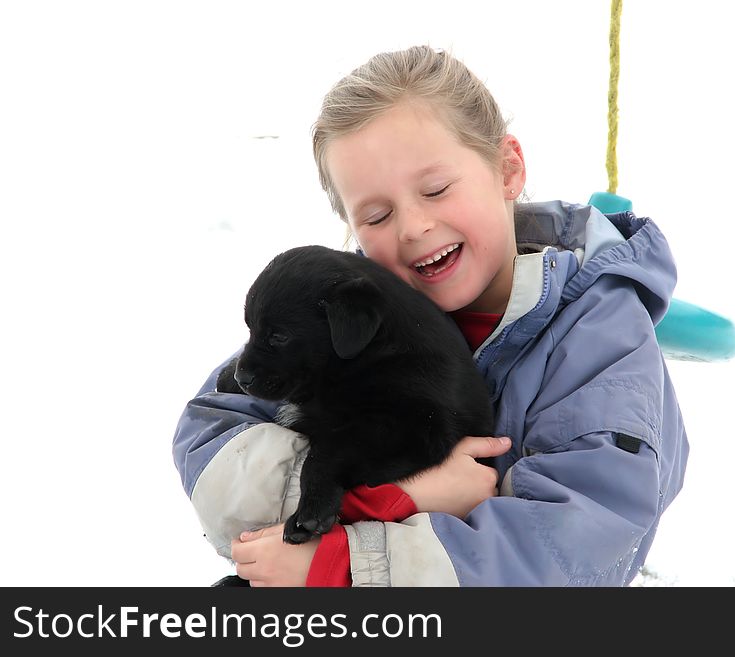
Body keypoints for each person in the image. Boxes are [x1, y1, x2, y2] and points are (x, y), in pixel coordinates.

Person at [172, 45, 689, 587]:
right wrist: (387, 498)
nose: (413, 226)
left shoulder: (599, 337)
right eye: (377, 214)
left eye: (436, 189)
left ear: (507, 169)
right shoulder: (346, 308)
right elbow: (210, 449)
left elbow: (579, 547)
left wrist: (346, 562)